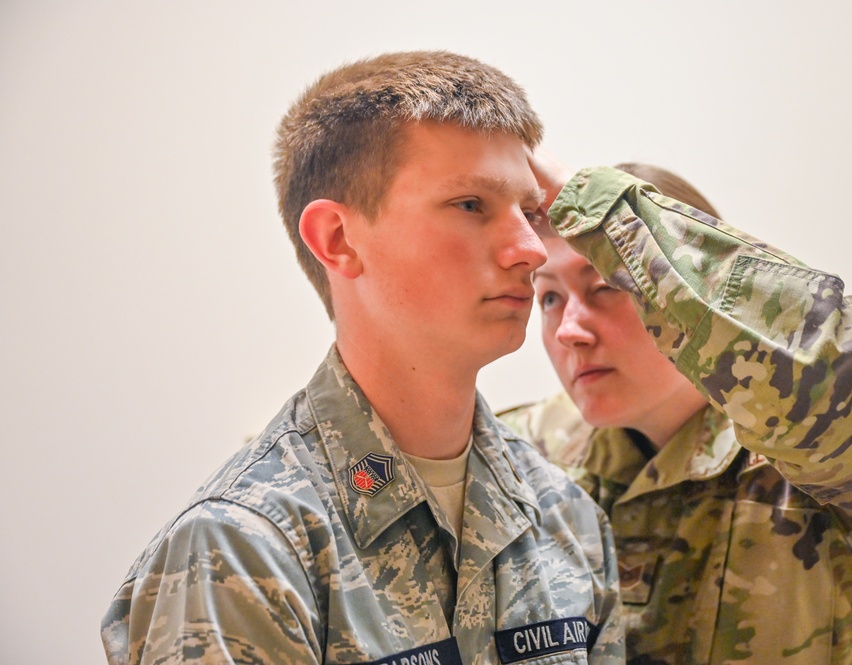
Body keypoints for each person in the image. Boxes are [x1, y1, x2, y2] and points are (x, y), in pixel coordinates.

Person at [101, 52, 622, 665]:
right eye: (471, 205)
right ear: (339, 240)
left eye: (529, 212)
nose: (531, 250)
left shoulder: (566, 518)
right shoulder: (243, 550)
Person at [502, 157, 852, 664]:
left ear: (689, 292)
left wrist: (608, 212)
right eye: (551, 298)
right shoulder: (533, 451)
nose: (569, 330)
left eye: (606, 285)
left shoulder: (847, 442)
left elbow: (845, 394)